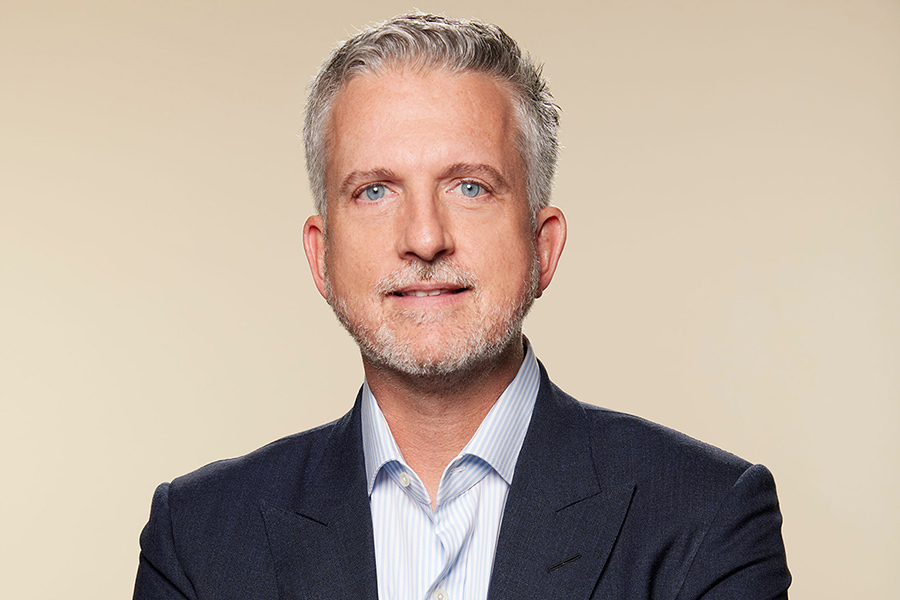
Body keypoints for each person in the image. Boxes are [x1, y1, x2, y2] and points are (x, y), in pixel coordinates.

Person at [133, 13, 790, 600]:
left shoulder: (709, 516)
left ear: (542, 246)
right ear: (321, 256)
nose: (424, 238)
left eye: (470, 187)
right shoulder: (196, 537)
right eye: (375, 191)